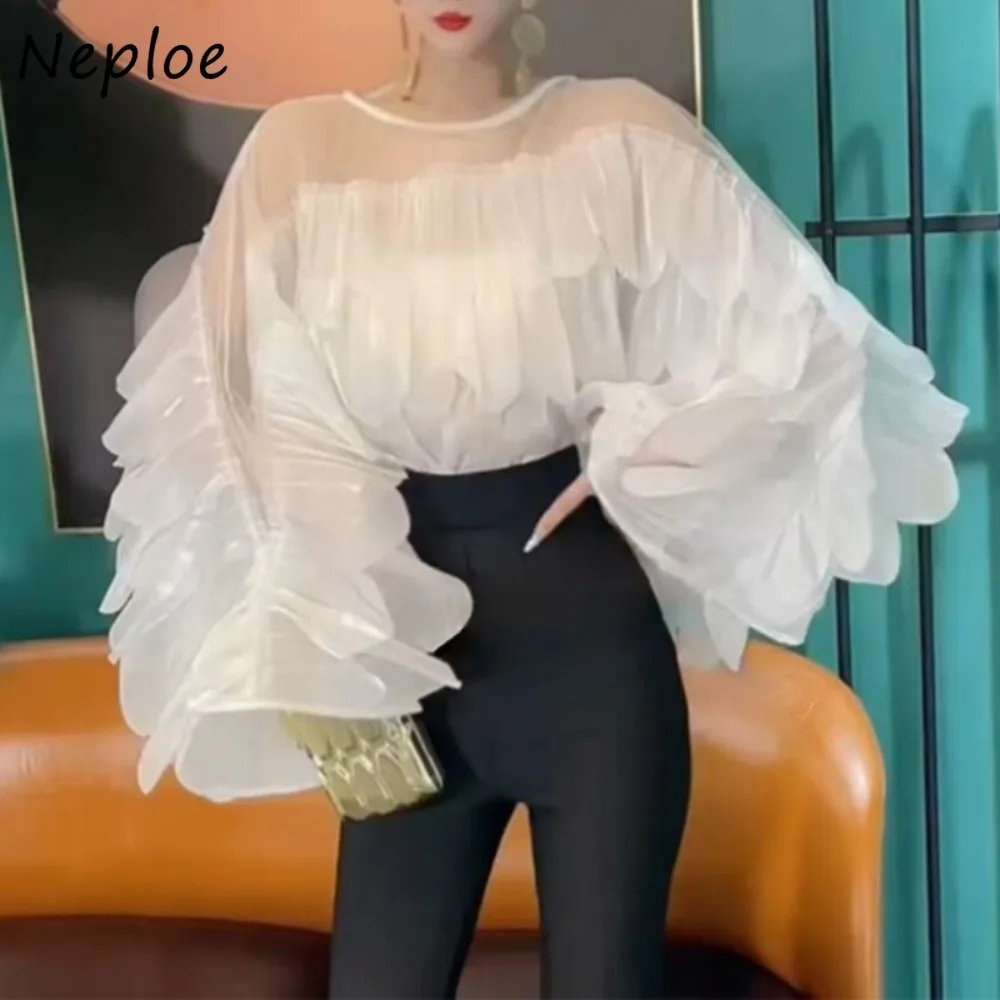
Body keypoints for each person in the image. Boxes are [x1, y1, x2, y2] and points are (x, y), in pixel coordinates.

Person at [100, 0, 967, 996]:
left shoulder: (618, 133)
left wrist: (633, 449)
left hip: (590, 649)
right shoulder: (299, 149)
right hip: (401, 648)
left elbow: (805, 340)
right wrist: (310, 624)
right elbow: (235, 400)